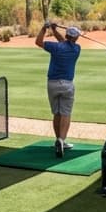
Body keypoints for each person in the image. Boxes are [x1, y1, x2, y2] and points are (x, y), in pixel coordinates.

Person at [36, 22, 81, 158]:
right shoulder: (77, 49)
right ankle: (62, 140)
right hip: (67, 84)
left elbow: (38, 42)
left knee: (56, 113)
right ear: (76, 38)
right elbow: (65, 42)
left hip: (52, 84)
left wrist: (46, 28)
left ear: (67, 35)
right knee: (65, 113)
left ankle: (58, 140)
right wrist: (55, 30)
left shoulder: (56, 47)